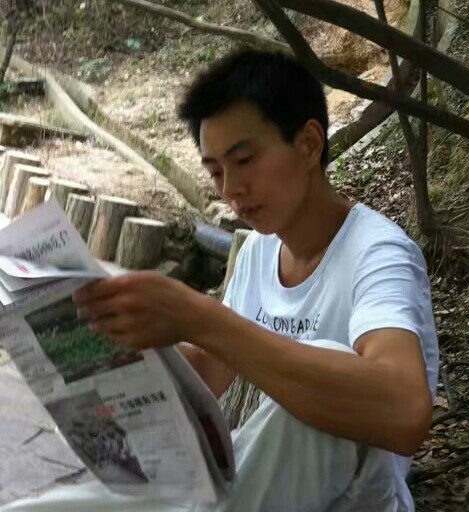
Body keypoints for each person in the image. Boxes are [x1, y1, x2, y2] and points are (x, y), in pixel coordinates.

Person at [0, 50, 438, 512]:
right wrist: (109, 357)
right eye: (215, 172)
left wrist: (199, 317)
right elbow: (210, 369)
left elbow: (404, 410)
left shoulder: (379, 254)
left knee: (327, 385)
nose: (230, 189)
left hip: (350, 500)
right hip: (252, 487)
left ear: (310, 144)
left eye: (244, 160)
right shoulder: (259, 252)